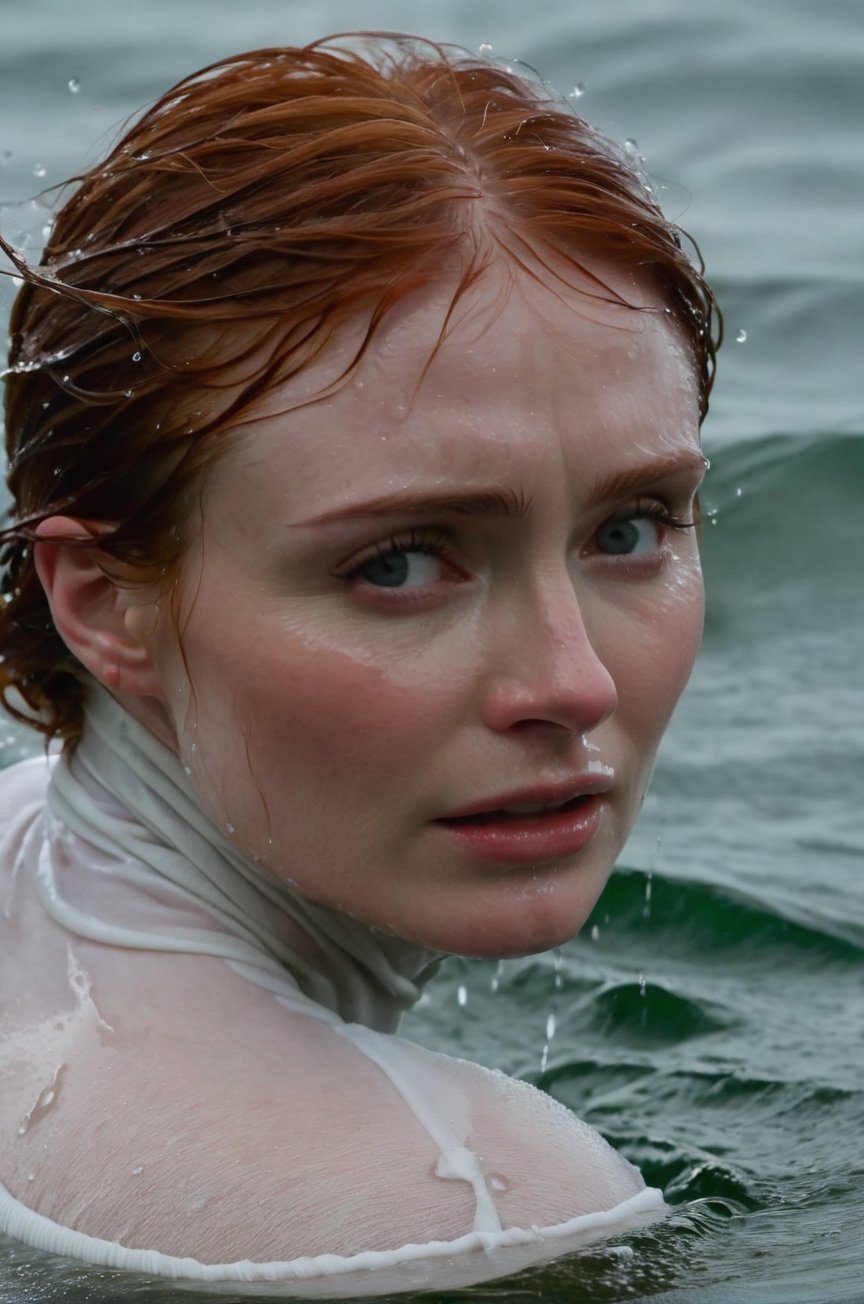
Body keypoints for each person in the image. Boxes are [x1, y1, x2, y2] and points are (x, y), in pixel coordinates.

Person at [0, 33, 719, 1296]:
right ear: (104, 602)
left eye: (629, 529)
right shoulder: (470, 1207)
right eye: (399, 563)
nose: (572, 682)